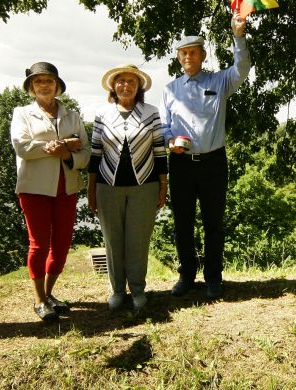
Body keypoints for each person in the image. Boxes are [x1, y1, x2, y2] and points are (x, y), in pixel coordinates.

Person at [159, 16, 251, 299]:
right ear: (179, 58)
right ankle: (186, 276)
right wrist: (170, 141)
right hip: (182, 164)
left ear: (203, 55)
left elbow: (242, 69)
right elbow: (164, 128)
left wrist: (238, 36)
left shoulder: (220, 81)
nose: (188, 56)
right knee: (182, 224)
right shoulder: (170, 90)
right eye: (183, 53)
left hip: (213, 162)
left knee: (213, 223)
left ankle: (213, 278)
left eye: (193, 52)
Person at [10, 62, 90, 322]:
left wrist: (67, 154)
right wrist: (63, 144)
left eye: (49, 80)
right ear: (31, 87)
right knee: (39, 244)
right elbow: (22, 148)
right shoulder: (22, 114)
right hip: (34, 188)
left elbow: (86, 153)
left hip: (67, 188)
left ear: (57, 85)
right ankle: (39, 300)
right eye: (38, 81)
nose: (44, 85)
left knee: (63, 244)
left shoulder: (72, 115)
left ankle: (49, 292)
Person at [88, 64, 168, 311]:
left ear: (139, 86)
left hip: (145, 185)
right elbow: (95, 155)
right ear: (113, 86)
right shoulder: (102, 115)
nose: (125, 85)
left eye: (131, 81)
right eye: (121, 81)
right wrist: (91, 190)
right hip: (107, 186)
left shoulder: (151, 113)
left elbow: (159, 152)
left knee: (138, 239)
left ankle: (137, 290)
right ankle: (116, 291)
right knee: (113, 240)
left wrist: (163, 187)